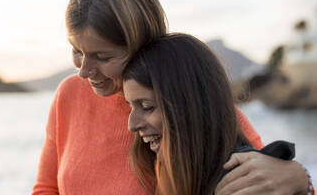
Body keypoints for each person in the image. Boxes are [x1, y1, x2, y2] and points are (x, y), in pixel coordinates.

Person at [31, 0, 312, 195]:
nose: (84, 71)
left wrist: (299, 179)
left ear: (140, 44)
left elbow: (263, 180)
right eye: (77, 51)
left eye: (102, 57)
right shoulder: (69, 94)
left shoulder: (196, 107)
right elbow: (46, 188)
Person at [122, 33, 302, 195]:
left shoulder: (245, 182)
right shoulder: (176, 172)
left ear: (190, 105)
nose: (132, 124)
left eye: (147, 106)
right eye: (130, 106)